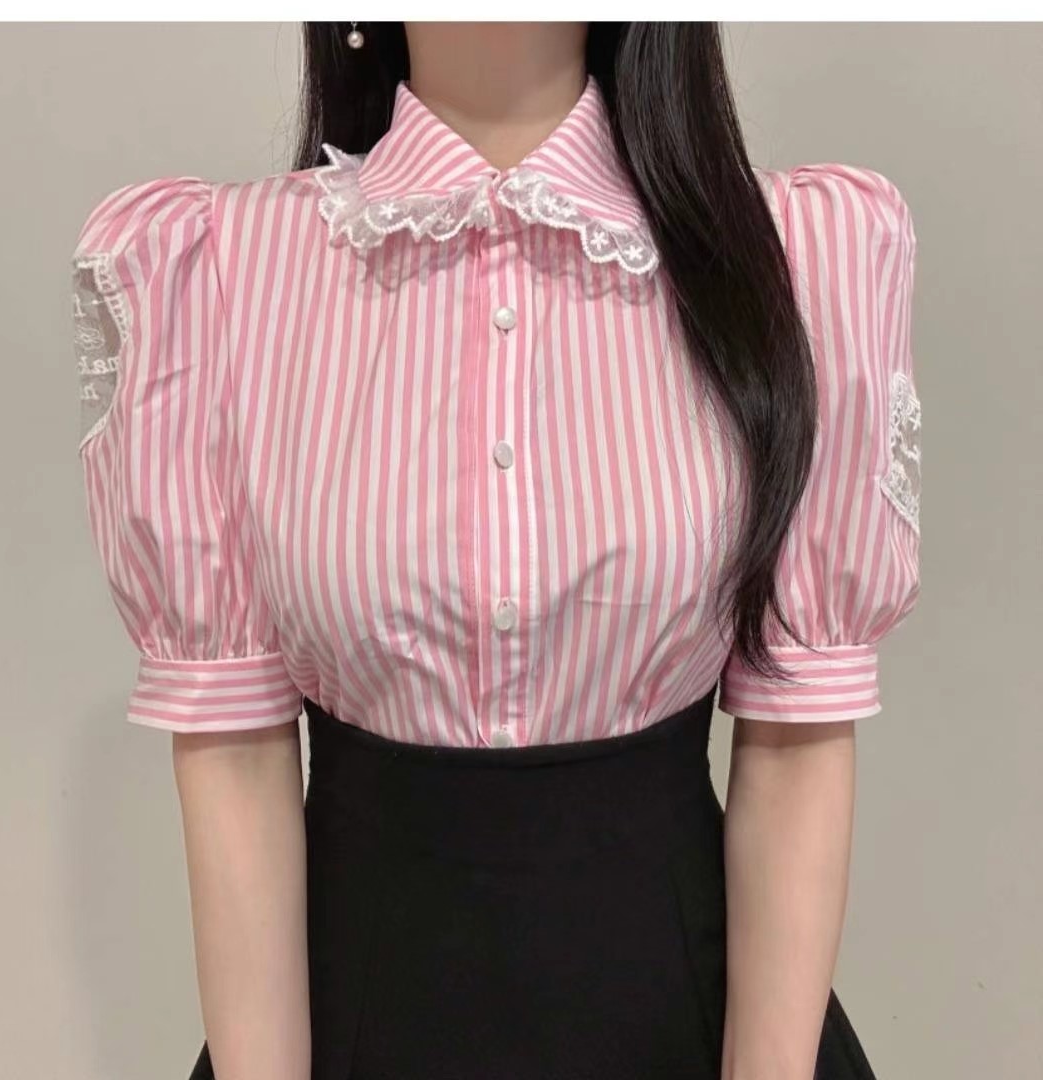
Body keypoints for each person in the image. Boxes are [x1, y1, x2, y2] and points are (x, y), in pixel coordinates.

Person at [69, 21, 921, 1080]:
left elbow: (796, 736)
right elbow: (235, 755)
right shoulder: (219, 272)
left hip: (694, 1033)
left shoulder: (791, 256)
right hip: (356, 1038)